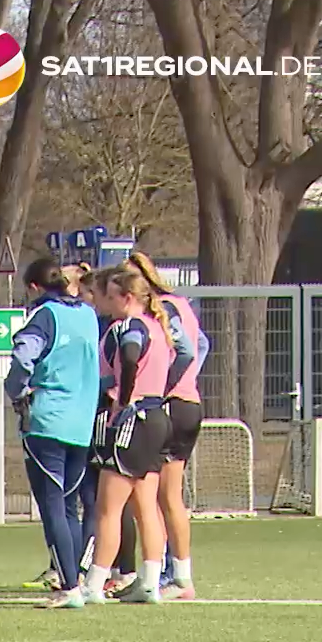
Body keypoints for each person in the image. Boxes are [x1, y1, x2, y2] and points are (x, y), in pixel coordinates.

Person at [4, 258, 102, 609]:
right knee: (70, 507)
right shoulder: (89, 314)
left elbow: (23, 359)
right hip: (81, 423)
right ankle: (74, 578)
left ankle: (69, 586)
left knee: (53, 507)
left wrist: (16, 391)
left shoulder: (44, 316)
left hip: (47, 420)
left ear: (34, 287)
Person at [83, 270, 173, 605]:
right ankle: (150, 580)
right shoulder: (157, 327)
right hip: (157, 416)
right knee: (145, 504)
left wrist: (123, 399)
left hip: (135, 419)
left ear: (127, 298)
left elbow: (131, 356)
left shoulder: (129, 327)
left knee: (108, 508)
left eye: (109, 295)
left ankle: (94, 582)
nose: (104, 301)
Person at [125, 250, 206, 600]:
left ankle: (174, 577)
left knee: (161, 496)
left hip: (173, 406)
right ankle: (169, 574)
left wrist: (166, 385)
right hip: (189, 402)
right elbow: (202, 345)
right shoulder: (181, 303)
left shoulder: (160, 310)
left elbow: (186, 350)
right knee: (165, 496)